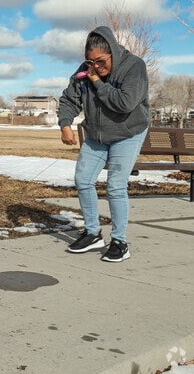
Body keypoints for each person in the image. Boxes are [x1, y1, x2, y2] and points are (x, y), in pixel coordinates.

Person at [58, 25, 150, 262]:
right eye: (90, 62)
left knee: (115, 186)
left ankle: (119, 241)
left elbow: (125, 103)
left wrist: (97, 82)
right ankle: (92, 233)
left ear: (113, 53)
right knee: (83, 180)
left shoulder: (134, 67)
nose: (95, 67)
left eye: (100, 61)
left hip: (128, 133)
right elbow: (69, 98)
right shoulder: (85, 70)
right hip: (97, 135)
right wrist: (65, 124)